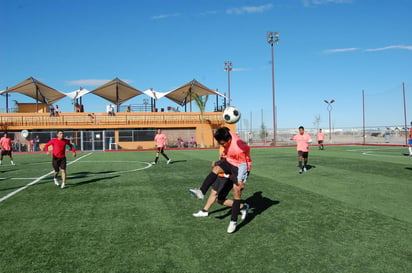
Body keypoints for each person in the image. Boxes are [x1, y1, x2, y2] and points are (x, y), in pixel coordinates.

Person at [191, 127, 251, 233]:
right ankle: (201, 191)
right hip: (230, 161)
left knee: (236, 191)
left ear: (228, 140)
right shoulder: (227, 134)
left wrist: (241, 180)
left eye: (223, 143)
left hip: (241, 167)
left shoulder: (238, 148)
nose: (222, 145)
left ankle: (233, 221)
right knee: (216, 169)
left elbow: (243, 165)